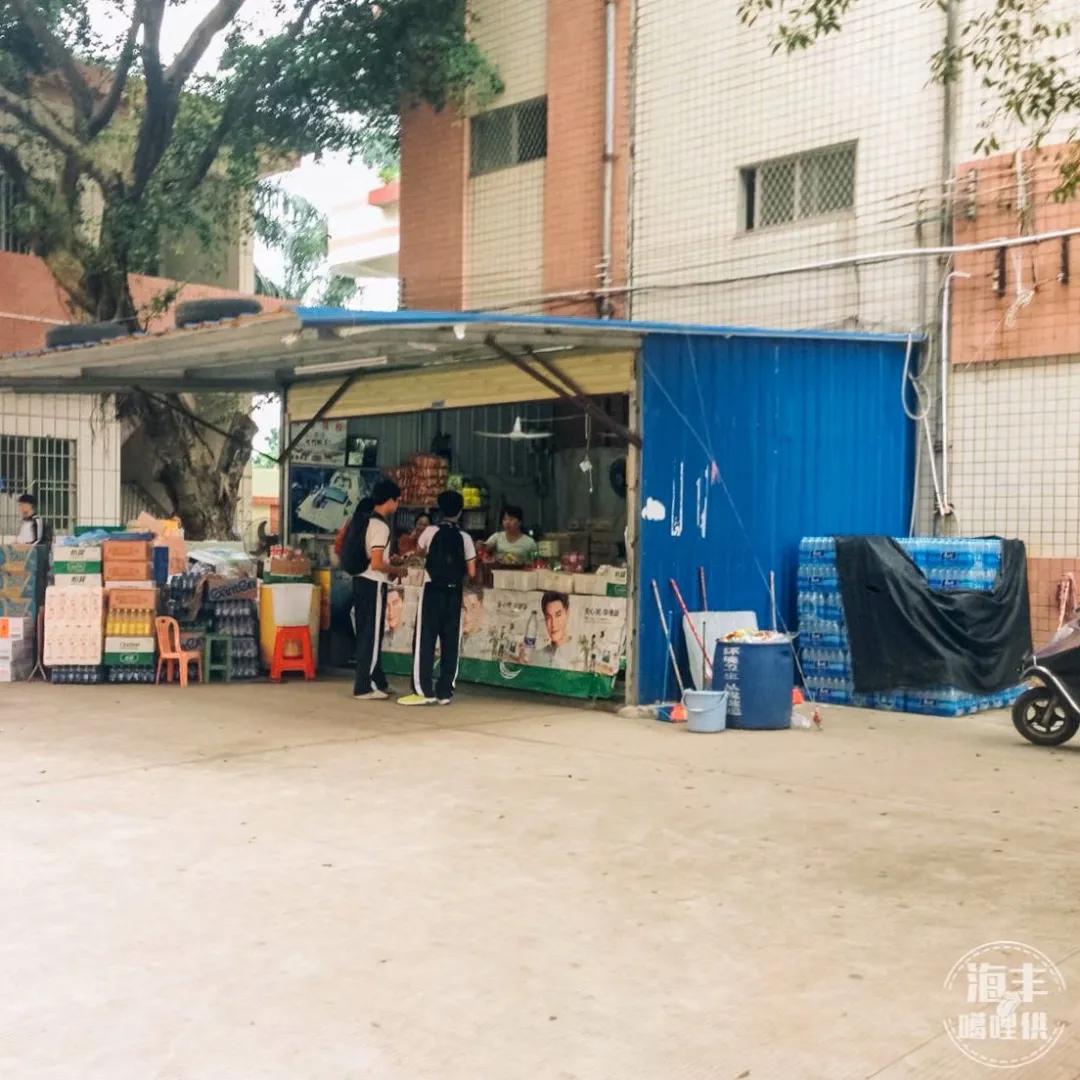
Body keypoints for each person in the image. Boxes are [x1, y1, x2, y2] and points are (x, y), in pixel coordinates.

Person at [399, 490, 477, 706]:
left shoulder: (430, 532)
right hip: (454, 593)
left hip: (432, 590)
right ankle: (445, 692)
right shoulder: (465, 538)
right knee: (450, 642)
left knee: (425, 639)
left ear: (440, 510)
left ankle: (423, 690)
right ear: (460, 512)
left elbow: (420, 554)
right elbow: (471, 572)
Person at [346, 479, 401, 700]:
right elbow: (378, 563)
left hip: (360, 580)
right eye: (397, 501)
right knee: (372, 635)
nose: (397, 505)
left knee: (366, 633)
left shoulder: (365, 521)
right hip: (374, 582)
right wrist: (397, 569)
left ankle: (376, 680)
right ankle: (364, 686)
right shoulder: (381, 526)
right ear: (390, 501)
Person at [537, 591, 574, 668]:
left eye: (558, 615)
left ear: (567, 613)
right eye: (548, 617)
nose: (553, 624)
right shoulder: (539, 655)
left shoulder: (580, 654)